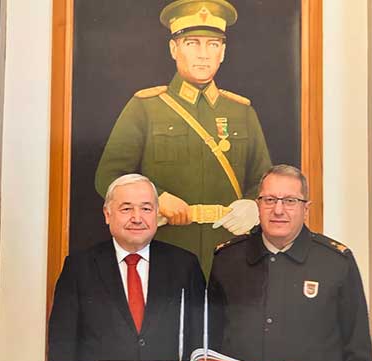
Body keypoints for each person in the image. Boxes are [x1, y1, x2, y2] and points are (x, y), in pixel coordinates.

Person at [94, 0, 273, 277]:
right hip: (166, 249)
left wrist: (253, 205)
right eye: (192, 43)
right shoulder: (146, 107)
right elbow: (108, 176)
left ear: (223, 52)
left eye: (213, 44)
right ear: (173, 49)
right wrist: (158, 198)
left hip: (230, 251)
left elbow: (264, 181)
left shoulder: (241, 111)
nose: (203, 54)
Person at [208, 165, 372, 361]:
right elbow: (210, 342)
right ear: (258, 205)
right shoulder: (227, 260)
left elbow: (358, 348)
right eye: (269, 200)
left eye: (289, 201)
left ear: (306, 208)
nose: (278, 210)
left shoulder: (335, 262)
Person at [48, 173, 206, 361]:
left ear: (156, 213)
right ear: (107, 214)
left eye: (146, 209)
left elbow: (200, 342)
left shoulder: (185, 265)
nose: (137, 218)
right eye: (126, 209)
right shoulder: (79, 267)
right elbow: (62, 344)